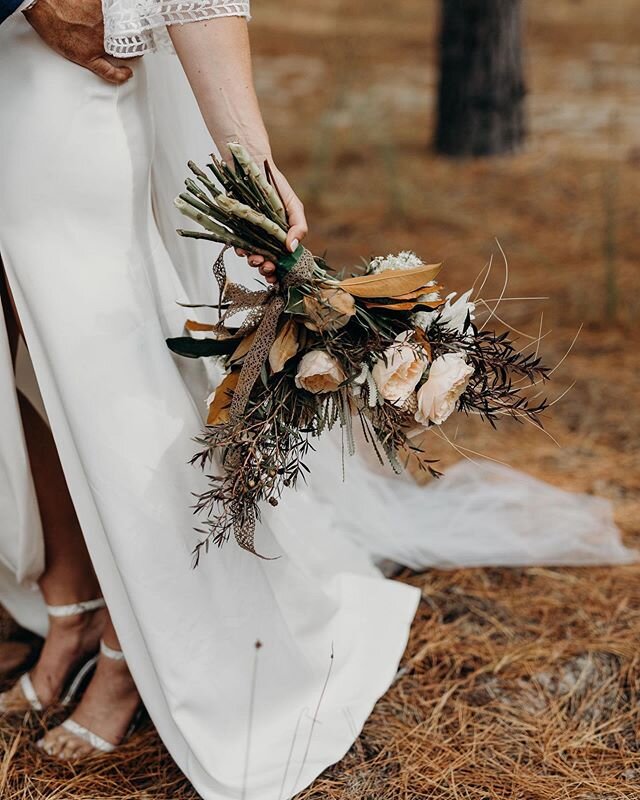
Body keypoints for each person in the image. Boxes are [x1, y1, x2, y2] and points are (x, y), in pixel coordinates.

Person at [0, 1, 634, 797]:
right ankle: (75, 605)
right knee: (23, 361)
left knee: (104, 375)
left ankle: (137, 644)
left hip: (63, 80)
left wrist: (247, 157)